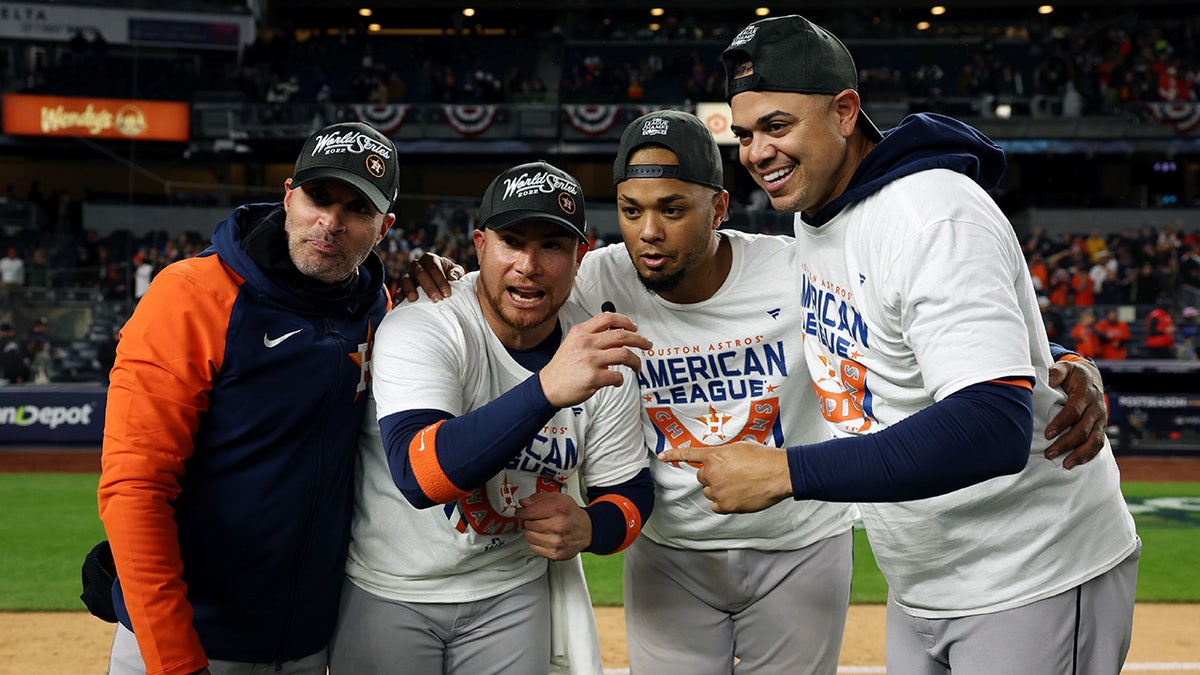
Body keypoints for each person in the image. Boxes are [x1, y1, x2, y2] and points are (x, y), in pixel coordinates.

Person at [400, 113, 1114, 673]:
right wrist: (419, 273)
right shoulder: (592, 276)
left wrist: (1063, 355)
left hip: (799, 543)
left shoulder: (797, 267)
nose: (649, 232)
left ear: (718, 206)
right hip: (671, 550)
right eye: (631, 208)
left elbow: (926, 316)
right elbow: (506, 286)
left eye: (673, 208)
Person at [659, 15, 1139, 675]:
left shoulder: (928, 211)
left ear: (845, 111)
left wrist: (782, 472)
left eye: (776, 126)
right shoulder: (821, 211)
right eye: (743, 134)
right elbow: (933, 325)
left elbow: (990, 425)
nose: (756, 152)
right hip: (926, 581)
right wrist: (1060, 358)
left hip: (1032, 571)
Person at [96, 121, 399, 675]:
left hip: (309, 643)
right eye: (319, 197)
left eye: (357, 209)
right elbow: (135, 487)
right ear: (289, 195)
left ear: (384, 228)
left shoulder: (380, 307)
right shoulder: (189, 296)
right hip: (191, 640)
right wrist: (175, 659)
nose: (330, 223)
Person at [330, 161, 655, 674]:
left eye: (551, 244)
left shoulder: (595, 347)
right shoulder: (425, 322)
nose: (528, 264)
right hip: (393, 587)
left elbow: (632, 492)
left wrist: (592, 527)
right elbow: (421, 476)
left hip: (511, 590)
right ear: (480, 245)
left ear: (580, 256)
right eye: (511, 241)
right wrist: (547, 388)